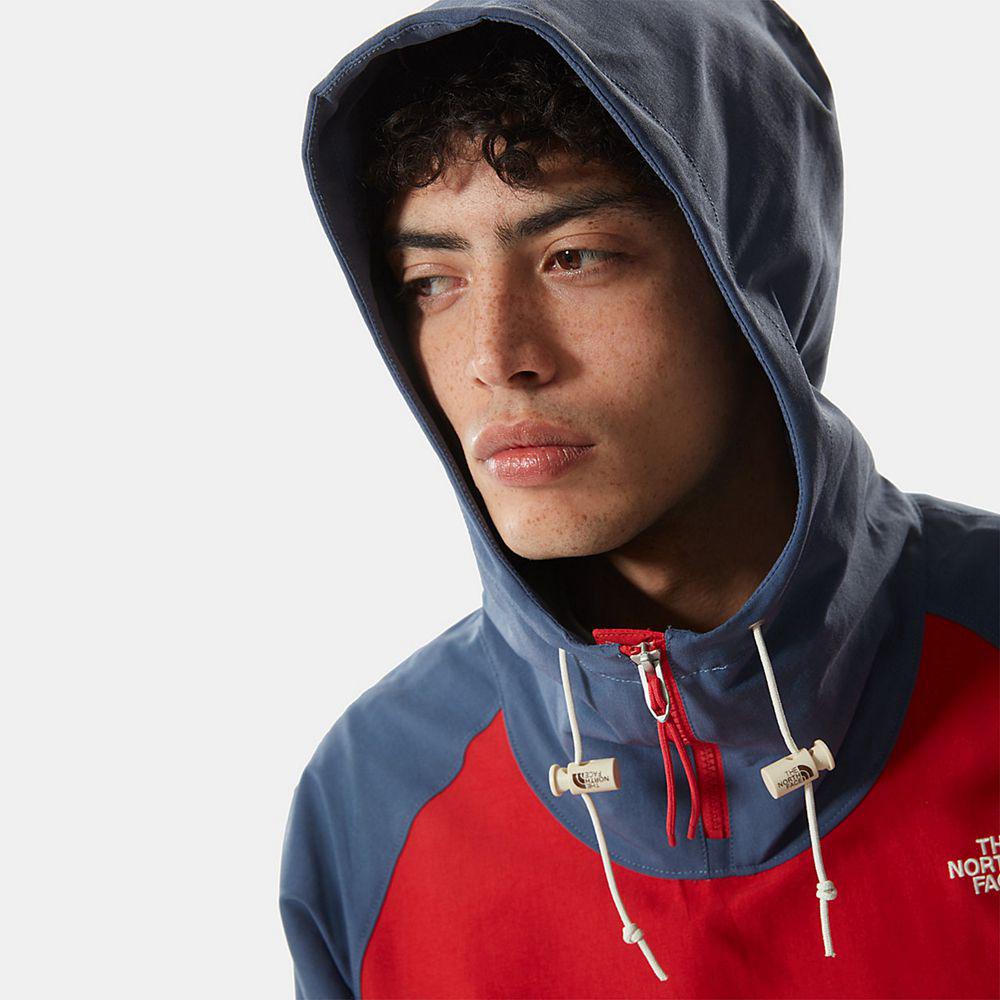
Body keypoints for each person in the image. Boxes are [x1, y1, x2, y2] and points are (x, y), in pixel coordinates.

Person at [279, 3, 1000, 997]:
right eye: (431, 281)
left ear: (753, 276)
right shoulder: (374, 798)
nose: (495, 356)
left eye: (575, 257)